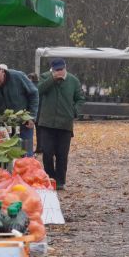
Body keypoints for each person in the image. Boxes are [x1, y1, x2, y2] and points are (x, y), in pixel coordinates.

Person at [36, 58, 85, 188]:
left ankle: (60, 181)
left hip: (65, 124)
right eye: (56, 70)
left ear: (65, 68)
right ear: (52, 70)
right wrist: (52, 79)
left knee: (62, 154)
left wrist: (74, 111)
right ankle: (50, 179)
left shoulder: (73, 80)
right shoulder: (45, 77)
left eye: (61, 69)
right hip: (46, 123)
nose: (59, 72)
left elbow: (80, 98)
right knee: (47, 153)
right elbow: (38, 91)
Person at [0, 62, 39, 156]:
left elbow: (34, 93)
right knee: (7, 154)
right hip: (4, 125)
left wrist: (32, 116)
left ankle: (28, 168)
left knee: (26, 153)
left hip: (24, 121)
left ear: (2, 71)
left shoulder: (17, 76)